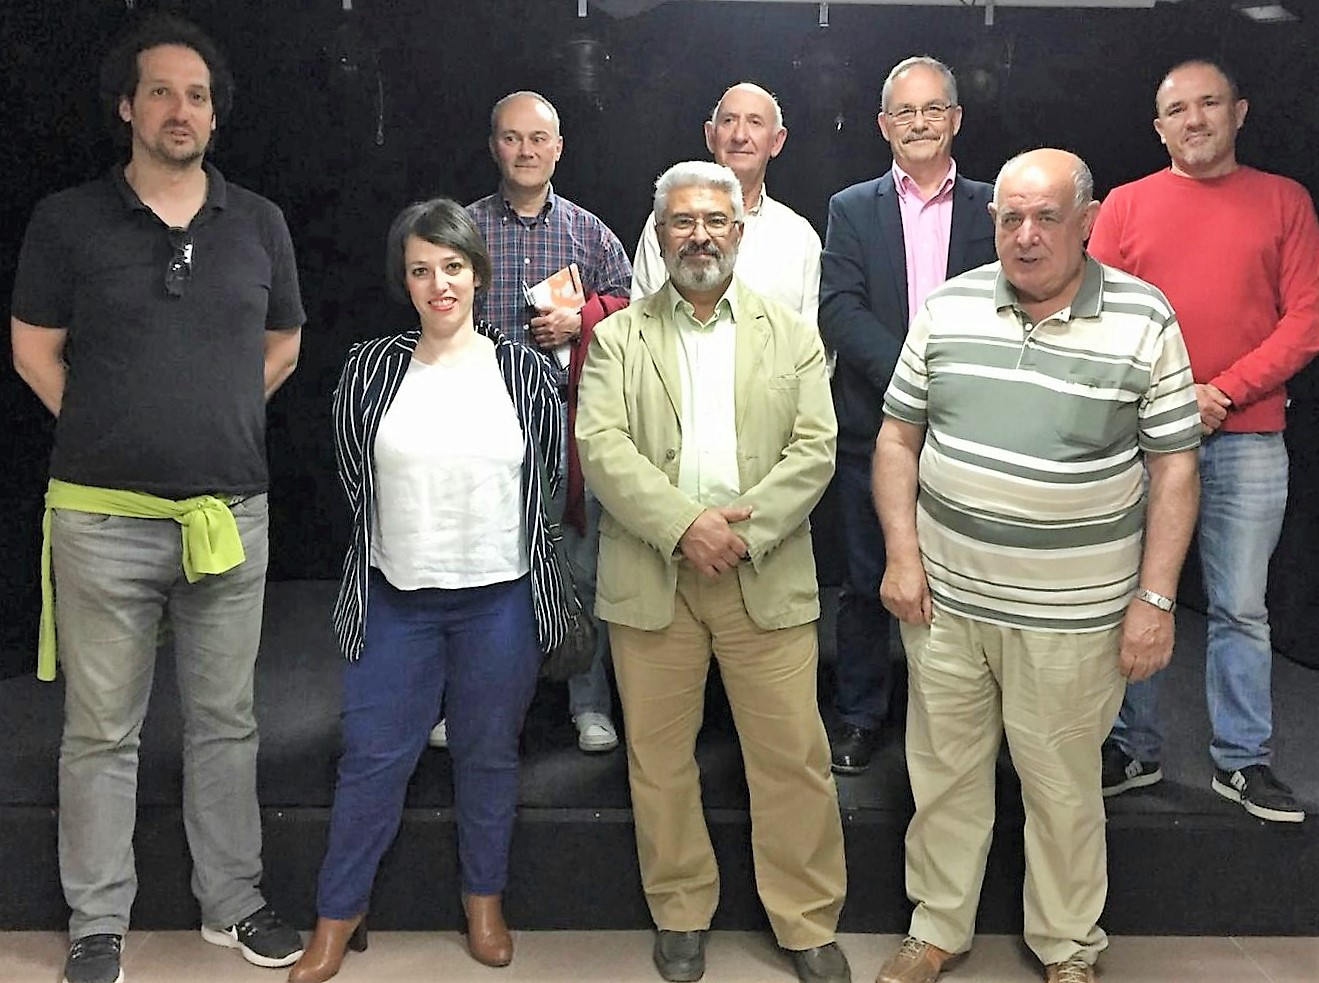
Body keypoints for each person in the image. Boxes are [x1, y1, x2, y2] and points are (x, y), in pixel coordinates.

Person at [9, 15, 306, 983]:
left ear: (215, 116)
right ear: (127, 108)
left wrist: (208, 417)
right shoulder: (67, 219)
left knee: (226, 720)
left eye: (199, 95)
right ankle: (98, 921)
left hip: (229, 516)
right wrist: (107, 427)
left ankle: (234, 902)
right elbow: (32, 346)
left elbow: (281, 345)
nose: (183, 109)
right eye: (164, 92)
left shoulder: (257, 220)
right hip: (100, 521)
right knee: (102, 730)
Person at [872, 149, 1200, 983]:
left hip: (1074, 615)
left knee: (1060, 786)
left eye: (1045, 217)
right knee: (942, 776)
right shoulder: (947, 306)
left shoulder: (1143, 317)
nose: (1024, 236)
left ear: (1086, 220)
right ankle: (936, 927)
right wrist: (902, 558)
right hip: (943, 603)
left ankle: (1065, 946)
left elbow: (1172, 467)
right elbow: (896, 438)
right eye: (1009, 217)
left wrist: (1155, 598)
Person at [577, 161, 850, 983]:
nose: (698, 235)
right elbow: (599, 445)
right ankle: (680, 911)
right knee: (658, 760)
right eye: (681, 222)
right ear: (657, 237)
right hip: (650, 576)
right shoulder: (619, 335)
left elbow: (816, 448)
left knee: (792, 757)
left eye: (714, 221)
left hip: (761, 574)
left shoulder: (790, 332)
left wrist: (736, 533)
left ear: (739, 230)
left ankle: (804, 920)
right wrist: (681, 526)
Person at [290, 199, 565, 983]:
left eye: (451, 266)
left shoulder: (522, 368)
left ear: (476, 273)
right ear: (403, 282)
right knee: (372, 759)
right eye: (420, 270)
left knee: (487, 756)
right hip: (395, 598)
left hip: (498, 602)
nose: (437, 283)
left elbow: (543, 480)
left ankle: (484, 901)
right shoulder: (370, 367)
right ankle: (337, 915)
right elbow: (353, 477)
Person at [1088, 59, 1319, 823]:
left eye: (1208, 103)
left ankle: (1242, 762)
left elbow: (1305, 320)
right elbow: (1101, 317)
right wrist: (1169, 399)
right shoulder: (1123, 206)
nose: (1193, 120)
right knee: (1137, 594)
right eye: (1176, 109)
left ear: (1238, 111)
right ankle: (1131, 745)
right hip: (1141, 441)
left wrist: (1219, 392)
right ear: (1158, 127)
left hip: (1246, 436)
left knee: (1241, 608)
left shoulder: (1283, 201)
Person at [818, 56, 996, 775]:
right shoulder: (851, 207)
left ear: (954, 118)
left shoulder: (994, 205)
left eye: (931, 110)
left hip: (973, 431)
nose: (917, 124)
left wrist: (951, 386)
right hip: (873, 425)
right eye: (903, 112)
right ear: (882, 125)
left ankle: (954, 721)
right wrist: (915, 378)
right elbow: (838, 307)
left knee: (964, 585)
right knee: (866, 584)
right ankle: (861, 714)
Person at [454, 89, 631, 754]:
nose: (525, 151)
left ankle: (588, 703)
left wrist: (579, 317)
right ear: (493, 144)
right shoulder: (463, 228)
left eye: (538, 139)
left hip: (565, 417)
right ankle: (487, 703)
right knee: (489, 569)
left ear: (558, 147)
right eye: (511, 138)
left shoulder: (589, 232)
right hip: (484, 418)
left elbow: (637, 307)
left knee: (580, 568)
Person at [629, 81, 821, 321]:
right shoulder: (670, 222)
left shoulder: (800, 237)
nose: (740, 136)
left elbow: (811, 346)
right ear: (710, 135)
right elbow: (641, 327)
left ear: (777, 141)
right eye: (729, 120)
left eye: (755, 122)